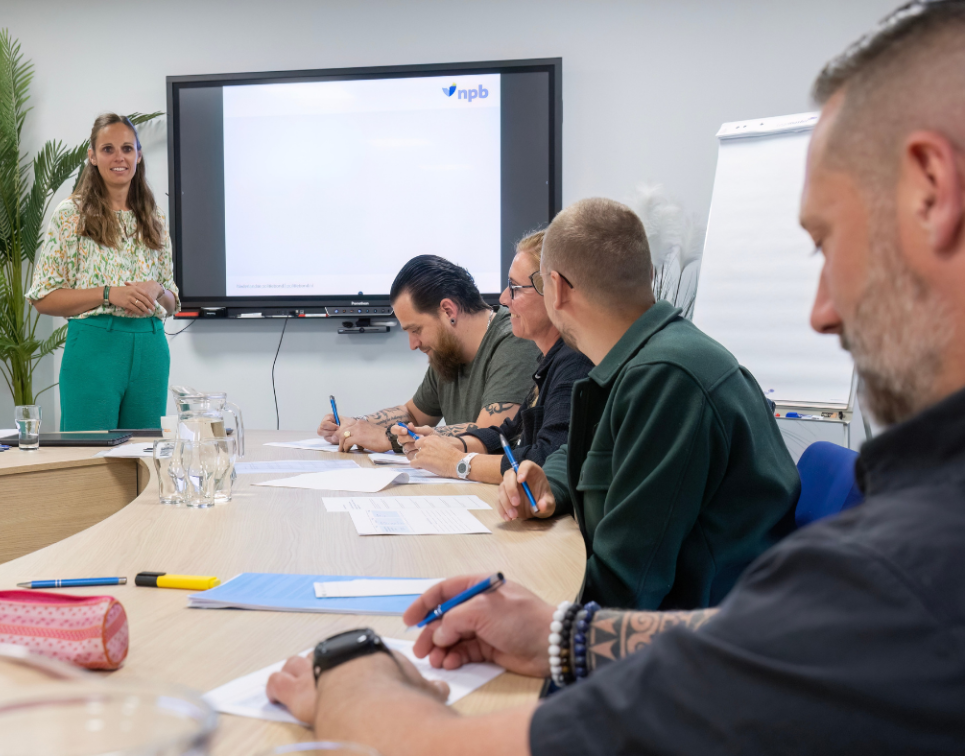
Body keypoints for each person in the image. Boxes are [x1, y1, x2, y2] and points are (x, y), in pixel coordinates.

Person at [266, 3, 965, 753]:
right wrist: (565, 631)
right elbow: (787, 635)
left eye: (825, 243)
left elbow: (457, 744)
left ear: (930, 189)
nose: (822, 314)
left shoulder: (916, 568)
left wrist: (353, 673)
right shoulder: (907, 545)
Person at [507, 198, 796, 609]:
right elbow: (592, 454)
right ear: (649, 274)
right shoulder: (639, 359)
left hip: (696, 644)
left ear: (556, 288)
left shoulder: (665, 378)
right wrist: (550, 484)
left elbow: (627, 586)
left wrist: (531, 617)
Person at [394, 231, 593, 483]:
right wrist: (447, 443)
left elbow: (547, 458)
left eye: (515, 288)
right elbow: (507, 431)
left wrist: (457, 463)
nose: (503, 299)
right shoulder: (551, 361)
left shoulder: (577, 361)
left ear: (555, 292)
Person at [29, 113, 178, 431]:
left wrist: (158, 290)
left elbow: (172, 300)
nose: (119, 157)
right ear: (92, 157)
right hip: (95, 347)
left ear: (138, 155)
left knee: (144, 462)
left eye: (127, 148)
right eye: (108, 149)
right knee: (88, 460)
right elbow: (43, 298)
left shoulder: (153, 217)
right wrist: (110, 293)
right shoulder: (72, 214)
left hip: (151, 349)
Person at [317, 255, 540, 454]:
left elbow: (489, 432)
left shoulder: (515, 339)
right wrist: (356, 425)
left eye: (416, 330)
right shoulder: (447, 352)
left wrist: (387, 438)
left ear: (448, 311)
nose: (413, 344)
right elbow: (413, 414)